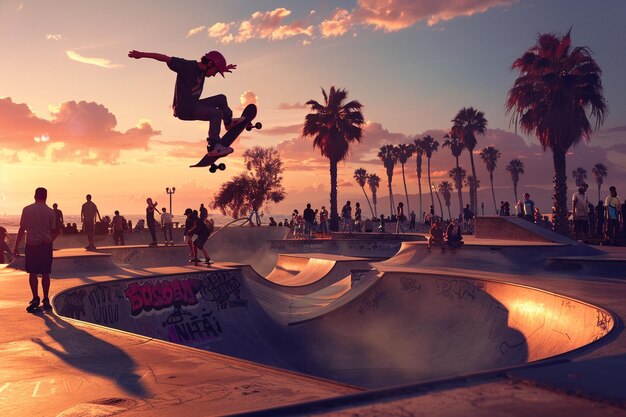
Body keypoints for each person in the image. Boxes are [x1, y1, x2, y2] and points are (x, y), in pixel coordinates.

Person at [128, 49, 241, 158]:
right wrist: (141, 54)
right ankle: (213, 147)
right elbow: (165, 58)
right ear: (210, 64)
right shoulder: (187, 66)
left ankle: (228, 122)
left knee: (221, 98)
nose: (214, 75)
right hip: (184, 109)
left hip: (194, 104)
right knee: (216, 114)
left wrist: (222, 68)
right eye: (216, 72)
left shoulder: (205, 69)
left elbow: (213, 70)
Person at [13, 187, 59, 313]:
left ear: (34, 196)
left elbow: (22, 229)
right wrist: (50, 240)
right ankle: (45, 299)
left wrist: (16, 247)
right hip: (45, 245)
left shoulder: (27, 210)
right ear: (46, 197)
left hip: (31, 245)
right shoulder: (50, 212)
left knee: (32, 272)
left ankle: (35, 298)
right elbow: (55, 231)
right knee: (45, 273)